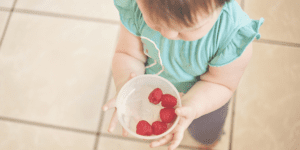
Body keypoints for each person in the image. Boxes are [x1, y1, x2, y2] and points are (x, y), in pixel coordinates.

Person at [102, 0, 264, 149]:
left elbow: (221, 83)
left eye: (188, 28)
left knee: (206, 132)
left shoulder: (232, 35)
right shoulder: (136, 5)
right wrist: (125, 82)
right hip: (154, 87)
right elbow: (129, 54)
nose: (168, 34)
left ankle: (208, 143)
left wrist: (193, 106)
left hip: (206, 98)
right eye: (156, 23)